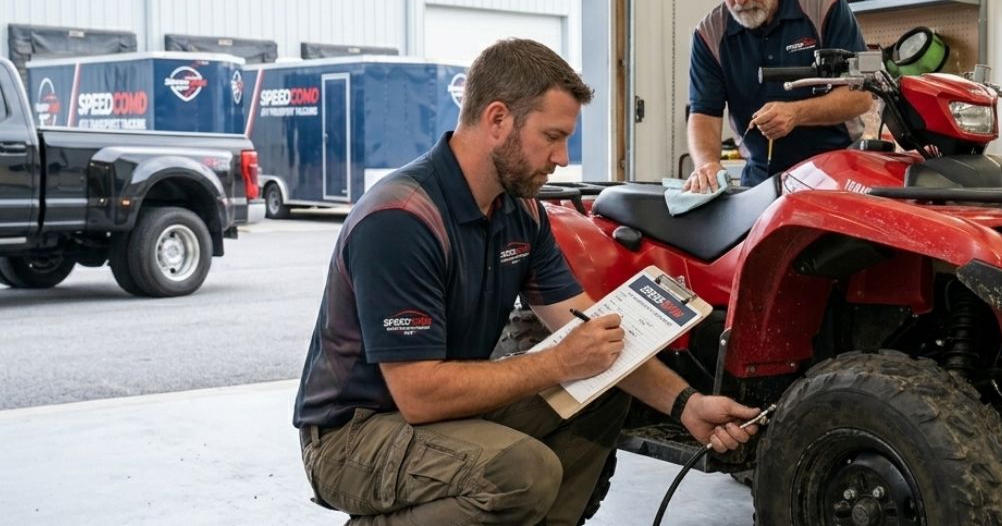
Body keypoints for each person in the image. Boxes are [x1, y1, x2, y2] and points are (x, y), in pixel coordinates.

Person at [293, 38, 761, 526]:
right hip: (354, 434)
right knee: (520, 471)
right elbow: (418, 394)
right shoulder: (401, 220)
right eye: (552, 136)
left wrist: (687, 405)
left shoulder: (520, 212)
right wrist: (556, 360)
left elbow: (594, 331)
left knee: (601, 388)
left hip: (437, 414)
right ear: (497, 120)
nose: (562, 157)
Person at [684, 0, 874, 191]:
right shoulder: (709, 34)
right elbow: (704, 112)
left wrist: (797, 113)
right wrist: (706, 163)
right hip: (762, 179)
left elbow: (860, 97)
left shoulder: (824, 6)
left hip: (836, 173)